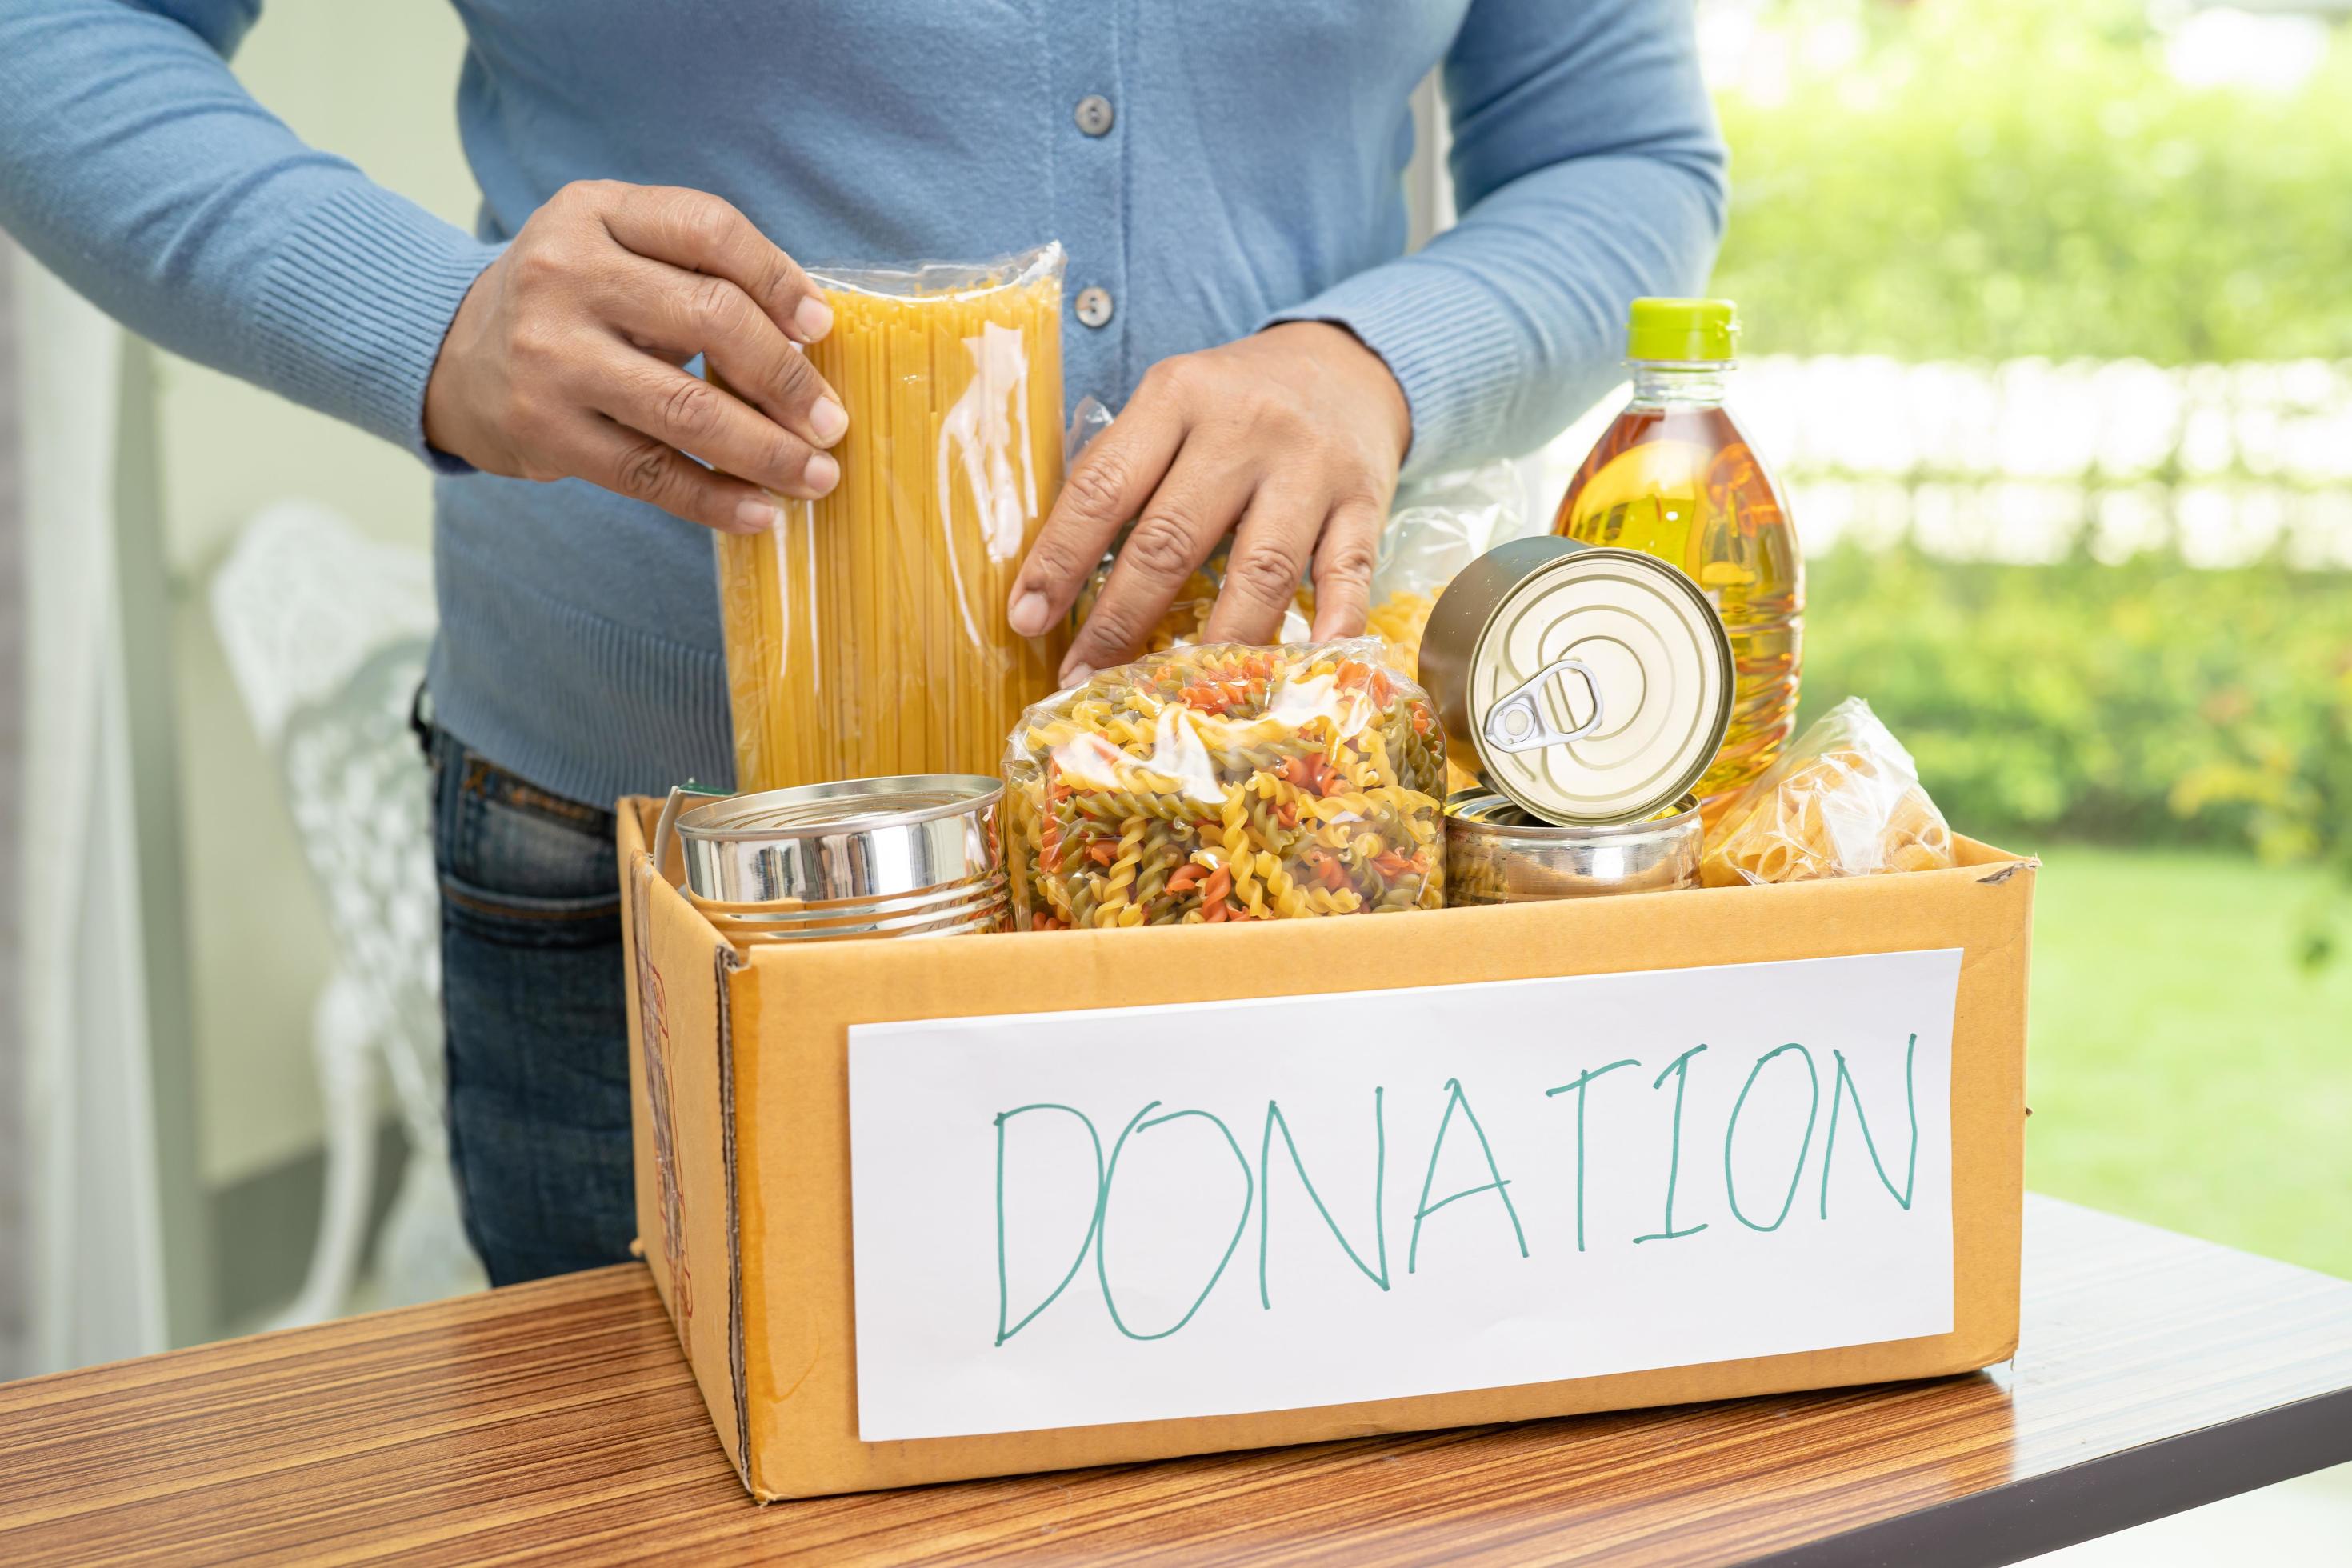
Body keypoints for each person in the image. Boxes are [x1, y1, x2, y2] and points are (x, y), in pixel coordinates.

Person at [0, 2, 1725, 1286]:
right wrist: (428, 320)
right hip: (655, 858)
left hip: (1281, 851)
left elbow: (1621, 146)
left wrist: (1377, 357)